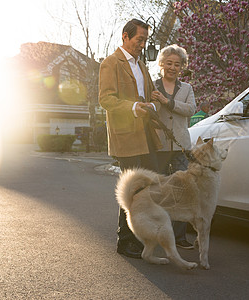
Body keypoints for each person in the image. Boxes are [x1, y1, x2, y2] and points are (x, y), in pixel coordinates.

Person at [99, 19, 162, 259]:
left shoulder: (142, 66)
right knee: (133, 189)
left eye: (145, 40)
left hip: (146, 134)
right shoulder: (110, 63)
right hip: (126, 136)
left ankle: (138, 237)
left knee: (148, 186)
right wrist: (134, 106)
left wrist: (153, 103)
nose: (143, 44)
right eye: (139, 40)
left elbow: (148, 96)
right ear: (125, 36)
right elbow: (106, 99)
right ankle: (125, 241)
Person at [151, 44, 196, 249]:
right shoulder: (152, 86)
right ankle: (155, 234)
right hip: (158, 146)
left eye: (177, 64)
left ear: (182, 67)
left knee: (182, 192)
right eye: (168, 63)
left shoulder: (187, 88)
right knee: (157, 191)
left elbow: (191, 110)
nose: (172, 67)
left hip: (180, 147)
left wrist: (168, 102)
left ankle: (179, 236)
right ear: (161, 64)